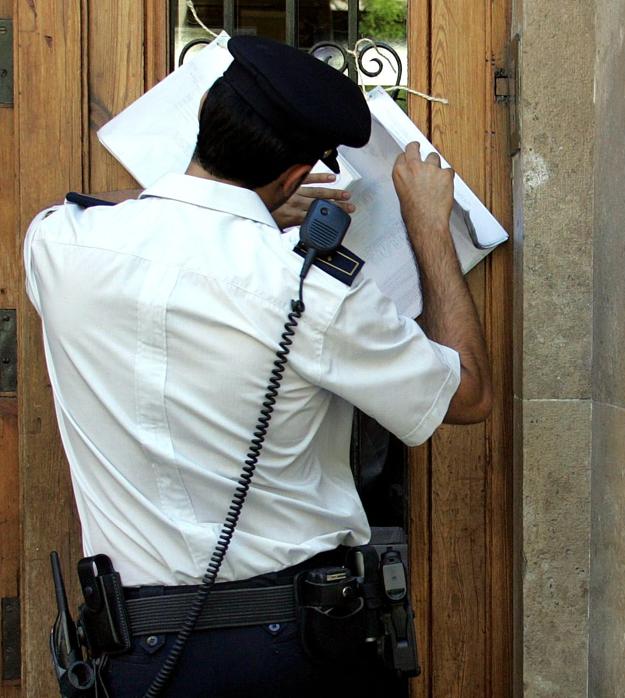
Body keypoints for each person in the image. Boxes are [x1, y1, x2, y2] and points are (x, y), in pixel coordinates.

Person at [24, 36, 491, 697]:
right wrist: (429, 228)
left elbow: (103, 211)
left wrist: (249, 203)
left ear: (205, 118)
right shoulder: (310, 294)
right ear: (299, 174)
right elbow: (468, 396)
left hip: (131, 658)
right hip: (296, 657)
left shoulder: (58, 243)